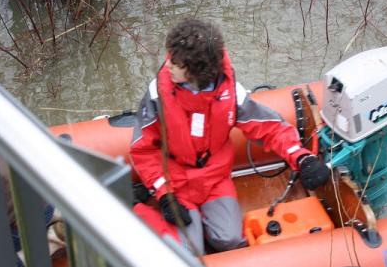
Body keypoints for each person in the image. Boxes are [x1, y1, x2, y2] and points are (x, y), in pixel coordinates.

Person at [130, 19, 329, 253]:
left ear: (194, 72)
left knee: (230, 240)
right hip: (175, 183)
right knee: (187, 252)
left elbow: (269, 127)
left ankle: (203, 227)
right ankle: (136, 209)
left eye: (175, 62)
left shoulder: (230, 95)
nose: (168, 65)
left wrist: (301, 157)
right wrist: (164, 195)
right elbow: (143, 149)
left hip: (214, 180)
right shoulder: (158, 96)